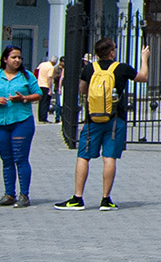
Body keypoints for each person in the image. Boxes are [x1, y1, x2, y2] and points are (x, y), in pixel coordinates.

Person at [55, 39, 146, 211]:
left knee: (84, 156)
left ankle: (77, 197)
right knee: (109, 157)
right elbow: (143, 77)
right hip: (115, 118)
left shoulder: (90, 68)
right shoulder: (121, 68)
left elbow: (82, 89)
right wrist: (144, 58)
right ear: (112, 52)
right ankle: (105, 199)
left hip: (92, 118)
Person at [0, 44, 40, 208]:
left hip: (22, 121)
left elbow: (38, 94)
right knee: (6, 160)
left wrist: (24, 98)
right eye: (13, 57)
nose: (17, 60)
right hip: (2, 122)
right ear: (5, 59)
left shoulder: (26, 76)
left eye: (19, 57)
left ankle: (24, 195)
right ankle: (9, 194)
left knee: (21, 159)